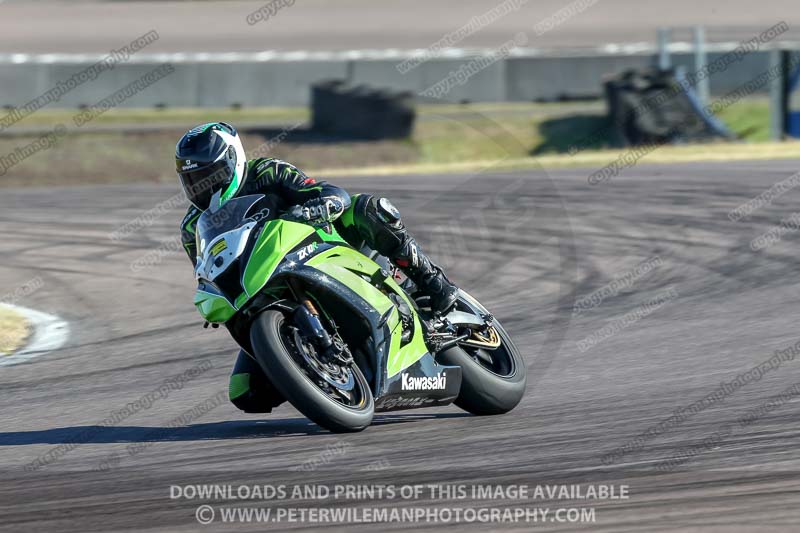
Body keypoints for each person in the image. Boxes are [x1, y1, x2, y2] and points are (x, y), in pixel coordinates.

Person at [175, 122, 458, 413]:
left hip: (318, 247)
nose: (203, 187)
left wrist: (323, 203)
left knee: (368, 208)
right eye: (193, 180)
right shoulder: (191, 227)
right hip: (261, 289)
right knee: (246, 392)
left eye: (211, 176)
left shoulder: (267, 172)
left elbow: (322, 190)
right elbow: (205, 269)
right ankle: (320, 371)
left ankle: (431, 282)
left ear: (234, 160)